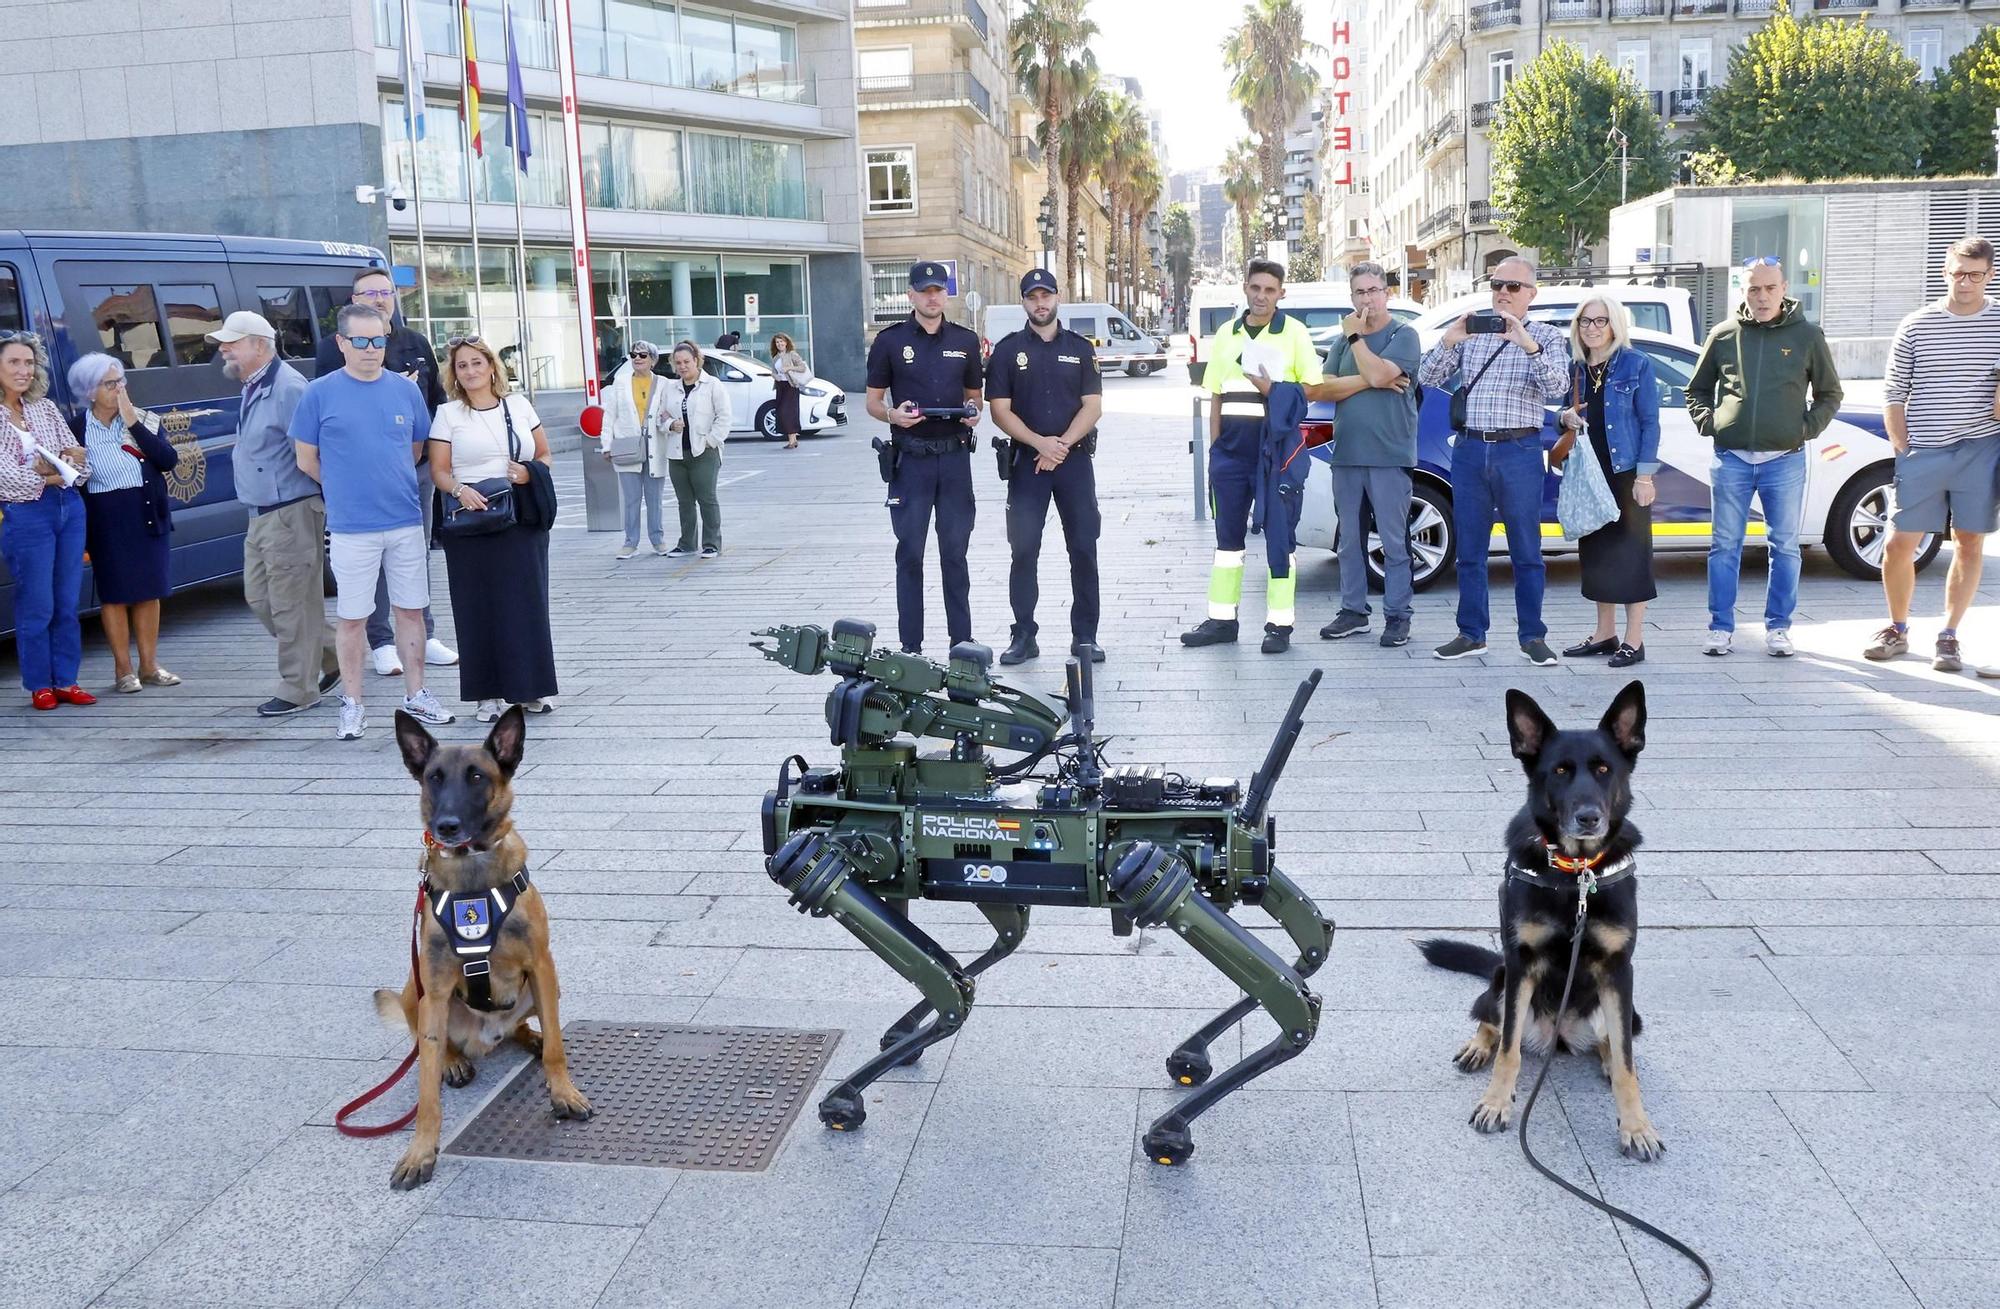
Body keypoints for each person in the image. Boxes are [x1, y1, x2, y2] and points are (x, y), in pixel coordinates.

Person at [290, 303, 454, 740]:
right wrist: (345, 486)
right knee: (353, 617)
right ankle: (353, 704)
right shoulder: (319, 393)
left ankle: (417, 694)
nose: (370, 349)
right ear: (341, 343)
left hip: (404, 519)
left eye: (378, 340)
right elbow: (306, 459)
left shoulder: (406, 392)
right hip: (350, 527)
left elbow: (416, 449)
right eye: (360, 340)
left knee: (411, 611)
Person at [1686, 257, 1843, 658]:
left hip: (1784, 460)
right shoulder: (1724, 334)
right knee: (1725, 546)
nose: (1762, 296)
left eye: (1770, 288)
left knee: (1785, 546)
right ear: (1744, 290)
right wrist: (1712, 423)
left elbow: (1830, 394)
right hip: (1732, 458)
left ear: (1784, 288)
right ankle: (1720, 627)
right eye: (1754, 289)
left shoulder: (1807, 335)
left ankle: (1779, 628)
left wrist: (1803, 429)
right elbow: (1696, 390)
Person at [1416, 256, 1570, 665]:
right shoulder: (1473, 333)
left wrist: (1527, 345)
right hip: (1468, 449)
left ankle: (1532, 637)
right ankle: (1471, 634)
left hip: (1518, 451)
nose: (1503, 292)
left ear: (1531, 295)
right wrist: (1450, 339)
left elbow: (1557, 384)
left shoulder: (1547, 336)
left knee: (1526, 550)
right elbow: (1427, 377)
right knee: (1470, 549)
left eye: (1514, 287)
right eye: (1498, 284)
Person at [313, 265, 456, 679]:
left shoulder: (416, 341)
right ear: (353, 302)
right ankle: (381, 641)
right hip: (361, 475)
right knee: (369, 562)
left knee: (415, 553)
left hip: (416, 467)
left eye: (386, 292)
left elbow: (436, 401)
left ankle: (424, 634)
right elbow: (328, 418)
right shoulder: (333, 349)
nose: (379, 299)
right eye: (368, 293)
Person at [1870, 236, 2000, 672]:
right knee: (1899, 542)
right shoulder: (1917, 324)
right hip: (1923, 449)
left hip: (1981, 447)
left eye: (1974, 274)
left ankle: (1949, 636)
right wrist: (1902, 447)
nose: (1963, 283)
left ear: (1990, 274)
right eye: (1956, 273)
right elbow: (1894, 391)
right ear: (1945, 272)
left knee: (1968, 542)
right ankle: (1897, 628)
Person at [1183, 258, 1324, 654]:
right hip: (1230, 455)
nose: (1261, 296)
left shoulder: (1294, 333)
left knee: (1281, 538)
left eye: (1270, 290)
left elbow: (1312, 388)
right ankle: (1222, 621)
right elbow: (1216, 395)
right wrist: (1215, 450)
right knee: (1227, 541)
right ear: (1245, 288)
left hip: (1276, 454)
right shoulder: (1227, 333)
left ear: (1281, 294)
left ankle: (1279, 626)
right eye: (1255, 288)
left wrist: (1272, 388)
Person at [215, 311, 341, 716]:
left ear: (259, 344)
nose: (223, 349)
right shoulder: (255, 384)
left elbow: (315, 453)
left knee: (288, 605)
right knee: (261, 599)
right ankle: (334, 652)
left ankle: (298, 688)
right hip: (262, 513)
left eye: (231, 342)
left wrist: (329, 503)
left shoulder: (288, 388)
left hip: (290, 512)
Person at [429, 336, 559, 722]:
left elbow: (545, 454)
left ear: (491, 366)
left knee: (525, 605)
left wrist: (527, 472)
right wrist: (459, 489)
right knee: (477, 607)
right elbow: (438, 470)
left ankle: (530, 689)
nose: (470, 371)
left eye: (476, 363)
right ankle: (487, 694)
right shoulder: (448, 414)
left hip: (520, 517)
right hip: (472, 521)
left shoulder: (519, 405)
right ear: (454, 373)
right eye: (462, 366)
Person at [986, 267, 1105, 666]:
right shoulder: (1006, 351)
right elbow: (999, 410)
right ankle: (1024, 635)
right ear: (1024, 302)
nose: (1041, 303)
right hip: (1027, 464)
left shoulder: (1081, 348)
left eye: (1047, 296)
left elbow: (1094, 405)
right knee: (1024, 551)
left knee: (1084, 549)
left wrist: (1062, 445)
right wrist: (1040, 443)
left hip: (1073, 463)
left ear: (1057, 298)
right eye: (1033, 297)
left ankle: (1085, 636)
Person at [865, 261, 985, 653]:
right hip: (910, 462)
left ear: (946, 294)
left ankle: (962, 642)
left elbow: (974, 397)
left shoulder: (965, 341)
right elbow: (872, 402)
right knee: (910, 554)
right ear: (911, 296)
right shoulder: (890, 342)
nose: (932, 297)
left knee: (955, 553)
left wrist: (973, 415)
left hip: (953, 461)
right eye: (925, 291)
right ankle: (911, 646)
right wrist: (893, 415)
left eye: (938, 290)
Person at [1307, 262, 1421, 649]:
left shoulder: (1403, 335)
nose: (1367, 298)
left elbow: (1371, 373)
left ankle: (1397, 616)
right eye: (1360, 292)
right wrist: (1371, 379)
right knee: (1349, 541)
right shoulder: (1341, 340)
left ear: (1386, 293)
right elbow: (1320, 389)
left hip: (1389, 454)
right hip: (1348, 454)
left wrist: (1357, 344)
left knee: (1392, 541)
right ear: (1351, 296)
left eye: (1374, 290)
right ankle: (1353, 612)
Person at [1551, 298, 1661, 669]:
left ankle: (1634, 639)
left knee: (1631, 555)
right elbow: (1565, 415)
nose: (1592, 328)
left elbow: (1650, 423)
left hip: (1626, 472)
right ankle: (1604, 634)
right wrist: (1564, 416)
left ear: (1615, 325)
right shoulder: (1577, 368)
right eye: (1585, 321)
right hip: (1589, 475)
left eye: (1601, 320)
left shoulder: (1635, 364)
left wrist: (1645, 476)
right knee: (1597, 554)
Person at [66, 352, 181, 693]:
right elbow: (71, 476)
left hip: (146, 511)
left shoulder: (143, 420)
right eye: (110, 384)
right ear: (90, 391)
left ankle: (149, 666)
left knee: (149, 591)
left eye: (121, 382)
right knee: (114, 595)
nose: (119, 389)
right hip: (105, 516)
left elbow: (167, 460)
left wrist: (132, 422)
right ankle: (123, 670)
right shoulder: (75, 429)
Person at [0, 331, 94, 710]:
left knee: (67, 601)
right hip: (27, 516)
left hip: (69, 509)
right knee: (37, 603)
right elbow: (6, 478)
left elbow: (80, 463)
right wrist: (54, 472)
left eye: (28, 362)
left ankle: (66, 680)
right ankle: (39, 684)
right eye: (13, 362)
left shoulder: (46, 408)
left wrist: (61, 465)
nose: (24, 370)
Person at [661, 340, 731, 560]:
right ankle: (686, 543)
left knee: (707, 498)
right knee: (684, 501)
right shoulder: (670, 388)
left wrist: (711, 440)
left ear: (696, 361)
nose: (682, 366)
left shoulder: (713, 385)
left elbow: (724, 417)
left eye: (687, 362)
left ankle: (711, 543)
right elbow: (660, 415)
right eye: (678, 362)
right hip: (677, 452)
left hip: (704, 452)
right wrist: (670, 424)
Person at [603, 339, 669, 559]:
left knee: (654, 499)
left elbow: (668, 413)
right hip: (627, 446)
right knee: (631, 499)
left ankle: (658, 540)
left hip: (655, 446)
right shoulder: (620, 383)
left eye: (642, 355)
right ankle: (630, 542)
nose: (637, 359)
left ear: (652, 359)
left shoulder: (663, 384)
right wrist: (606, 444)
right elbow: (609, 416)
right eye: (633, 355)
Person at [771, 333, 808, 450]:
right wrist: (774, 375)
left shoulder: (792, 354)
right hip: (780, 386)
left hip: (791, 386)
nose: (779, 344)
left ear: (786, 342)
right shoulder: (775, 357)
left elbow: (802, 368)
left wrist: (789, 368)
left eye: (781, 341)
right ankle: (792, 440)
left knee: (787, 412)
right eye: (777, 342)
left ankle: (792, 440)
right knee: (781, 412)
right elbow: (774, 371)